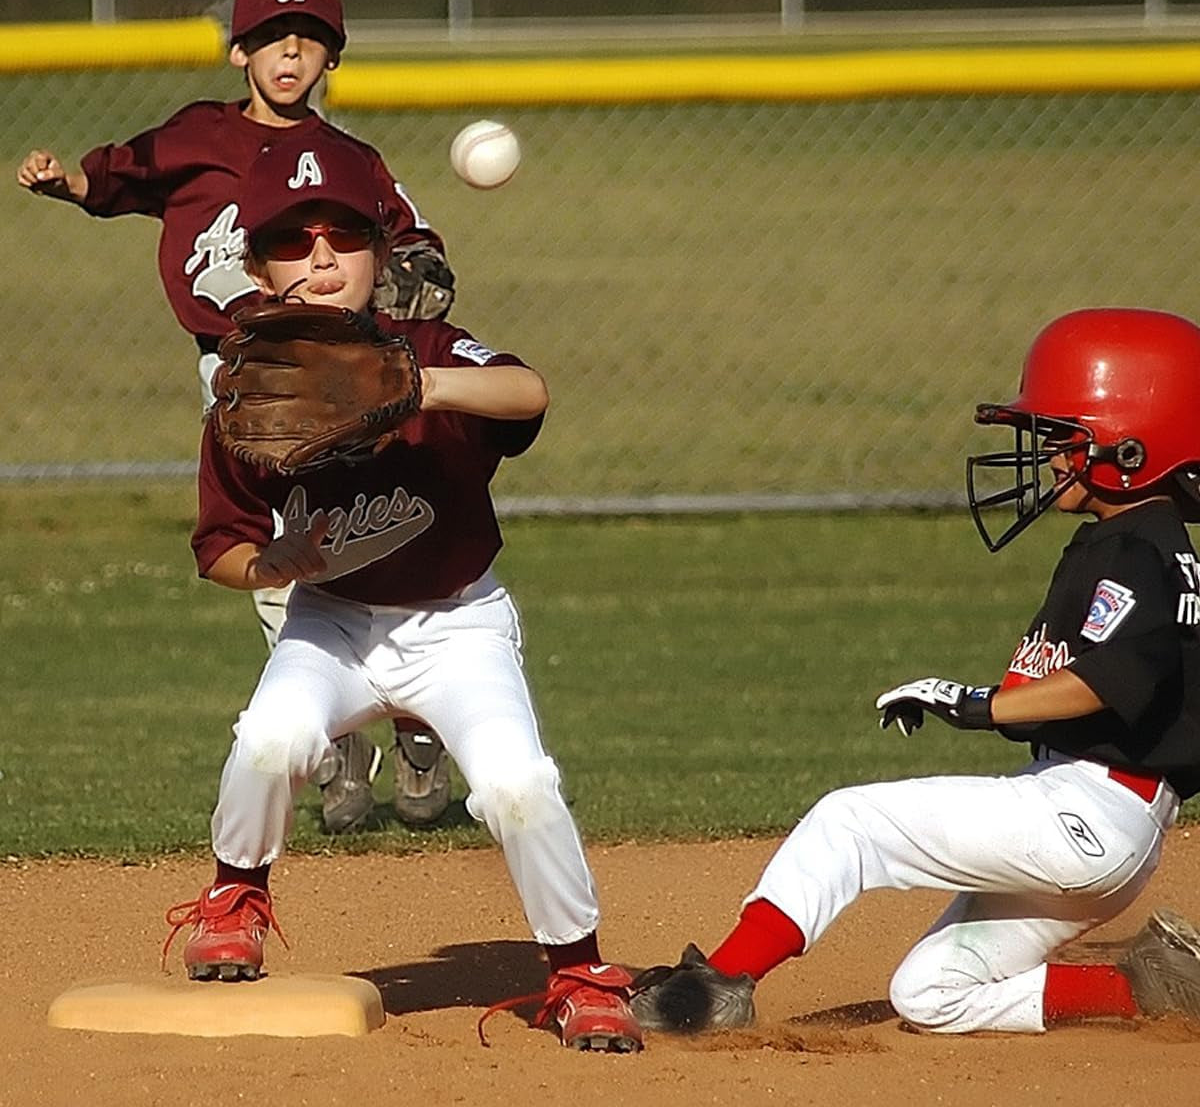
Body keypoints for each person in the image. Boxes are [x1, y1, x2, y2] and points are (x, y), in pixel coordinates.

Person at [161, 129, 643, 1054]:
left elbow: (529, 393)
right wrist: (271, 568)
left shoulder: (428, 347)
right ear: (257, 268)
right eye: (294, 244)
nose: (322, 259)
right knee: (271, 737)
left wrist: (422, 385)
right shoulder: (250, 386)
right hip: (332, 624)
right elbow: (219, 543)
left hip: (458, 626)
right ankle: (236, 894)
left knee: (516, 784)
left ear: (380, 251)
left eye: (342, 238)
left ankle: (579, 970)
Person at [631, 307, 1200, 1036]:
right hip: (1105, 821)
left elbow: (1107, 679)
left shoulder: (1135, 554)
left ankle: (714, 988)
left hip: (1085, 814)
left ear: (1133, 443)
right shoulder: (1148, 545)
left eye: (1067, 437)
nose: (1052, 456)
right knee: (931, 994)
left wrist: (977, 703)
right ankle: (1155, 991)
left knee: (851, 821)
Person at [16, 0, 454, 834]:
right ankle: (334, 755)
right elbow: (121, 178)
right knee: (273, 555)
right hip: (233, 369)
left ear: (332, 59)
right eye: (269, 39)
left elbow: (413, 237)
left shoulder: (347, 159)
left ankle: (414, 718)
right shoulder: (196, 138)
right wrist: (67, 185)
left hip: (339, 372)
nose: (290, 52)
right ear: (239, 53)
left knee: (374, 533)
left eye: (310, 41)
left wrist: (422, 272)